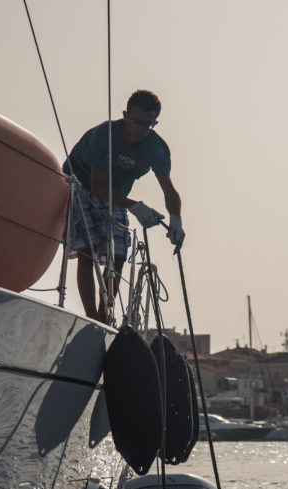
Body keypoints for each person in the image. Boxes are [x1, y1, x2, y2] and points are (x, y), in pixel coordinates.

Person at [63, 89, 183, 323]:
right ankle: (93, 317)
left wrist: (176, 220)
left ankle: (106, 309)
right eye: (135, 122)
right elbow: (97, 187)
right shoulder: (104, 136)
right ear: (125, 115)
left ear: (154, 122)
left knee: (119, 250)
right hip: (79, 182)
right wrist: (135, 206)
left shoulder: (157, 149)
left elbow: (169, 189)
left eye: (147, 124)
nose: (139, 129)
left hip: (115, 193)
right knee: (88, 250)